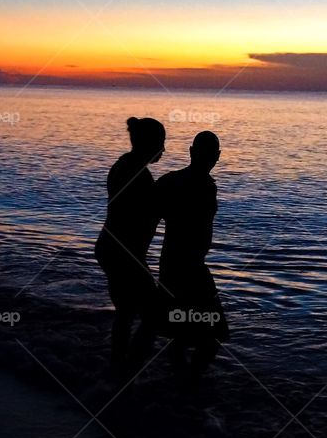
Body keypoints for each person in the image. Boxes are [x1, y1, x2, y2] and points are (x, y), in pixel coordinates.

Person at [94, 117, 165, 375]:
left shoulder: (126, 165)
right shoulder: (136, 173)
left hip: (113, 249)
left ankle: (119, 369)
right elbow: (147, 211)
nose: (164, 150)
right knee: (154, 316)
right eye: (161, 143)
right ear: (150, 143)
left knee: (126, 312)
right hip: (123, 253)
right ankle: (129, 370)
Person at [156, 131, 228, 381]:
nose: (209, 158)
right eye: (206, 153)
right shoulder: (198, 186)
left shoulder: (170, 181)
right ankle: (188, 383)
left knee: (182, 331)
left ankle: (181, 382)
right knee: (212, 333)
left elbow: (145, 221)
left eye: (210, 154)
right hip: (189, 270)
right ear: (192, 153)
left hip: (176, 266)